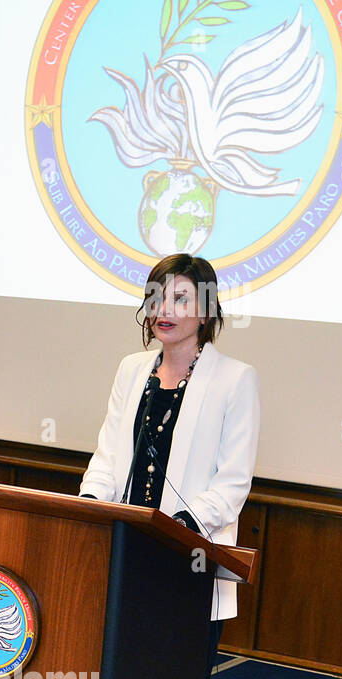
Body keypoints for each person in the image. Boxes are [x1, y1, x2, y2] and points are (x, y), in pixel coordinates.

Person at [79, 254, 260, 653]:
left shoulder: (235, 379)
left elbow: (232, 483)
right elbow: (108, 456)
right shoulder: (131, 369)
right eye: (156, 297)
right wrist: (90, 505)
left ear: (206, 310)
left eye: (181, 298)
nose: (164, 309)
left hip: (186, 559)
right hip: (126, 556)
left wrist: (177, 528)